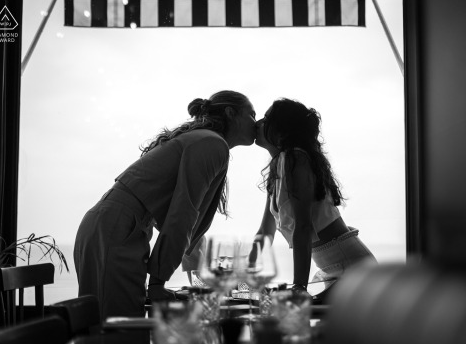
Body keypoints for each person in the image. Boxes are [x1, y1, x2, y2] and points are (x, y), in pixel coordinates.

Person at [74, 90, 257, 319]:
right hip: (117, 229)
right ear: (231, 113)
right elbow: (183, 214)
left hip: (110, 224)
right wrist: (158, 282)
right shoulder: (212, 144)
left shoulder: (202, 139)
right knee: (120, 330)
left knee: (105, 329)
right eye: (251, 114)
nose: (256, 122)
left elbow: (183, 216)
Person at [254, 98, 376, 293]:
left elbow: (303, 226)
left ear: (282, 129)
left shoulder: (295, 158)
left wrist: (299, 287)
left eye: (266, 118)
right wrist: (243, 277)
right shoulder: (278, 166)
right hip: (331, 267)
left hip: (352, 267)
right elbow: (264, 232)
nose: (258, 123)